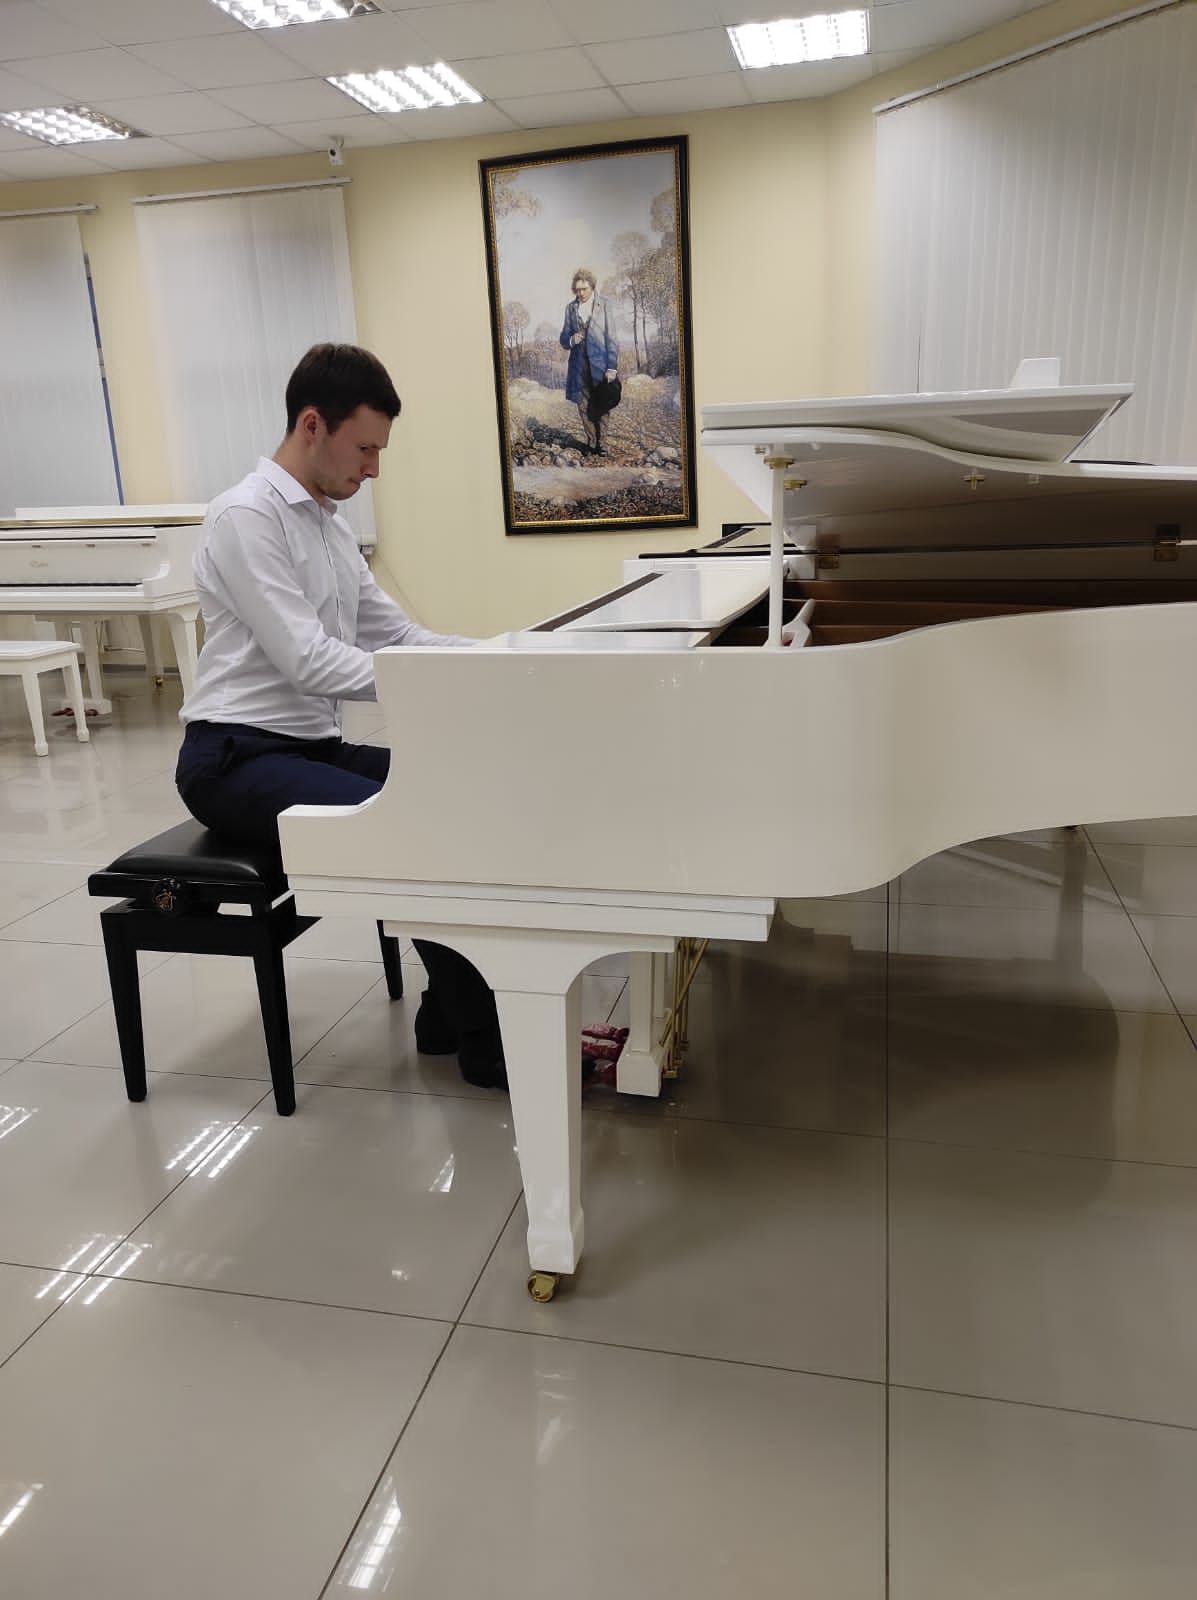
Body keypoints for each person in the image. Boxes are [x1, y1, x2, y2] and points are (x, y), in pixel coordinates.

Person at [174, 342, 507, 1089]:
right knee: (416, 822)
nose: (374, 468)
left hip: (309, 746)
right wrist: (437, 685)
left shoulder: (328, 525)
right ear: (312, 425)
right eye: (365, 448)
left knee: (460, 793)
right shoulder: (245, 517)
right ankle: (486, 1041)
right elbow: (310, 662)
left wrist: (498, 656)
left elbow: (398, 637)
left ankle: (444, 1015)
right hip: (233, 758)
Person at [559, 268, 619, 457]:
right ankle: (592, 442)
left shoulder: (605, 305)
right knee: (583, 406)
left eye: (584, 289)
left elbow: (612, 338)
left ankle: (603, 443)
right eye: (577, 289)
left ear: (592, 287)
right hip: (578, 367)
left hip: (601, 365)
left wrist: (612, 367)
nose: (581, 293)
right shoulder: (570, 308)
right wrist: (571, 339)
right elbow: (563, 338)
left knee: (602, 404)